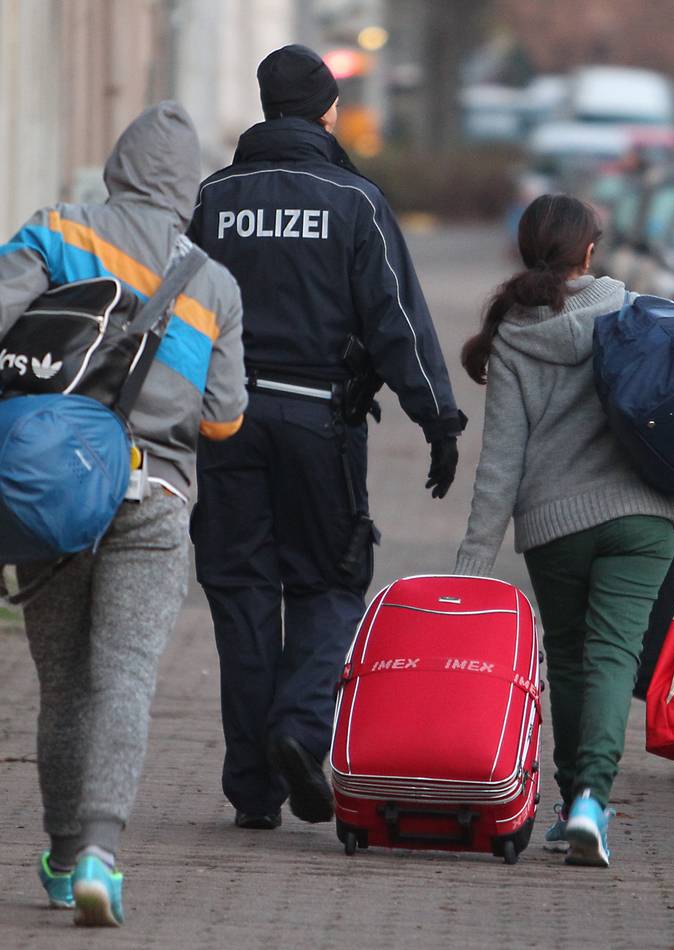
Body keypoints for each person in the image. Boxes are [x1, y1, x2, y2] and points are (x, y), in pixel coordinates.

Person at [187, 44, 466, 832]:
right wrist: (437, 419)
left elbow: (180, 311)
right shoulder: (354, 200)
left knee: (241, 594)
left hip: (226, 422)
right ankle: (300, 730)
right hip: (320, 423)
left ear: (266, 106)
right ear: (327, 110)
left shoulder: (214, 198)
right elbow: (396, 321)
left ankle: (252, 788)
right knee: (330, 585)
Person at [0, 102, 247, 926]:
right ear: (188, 187)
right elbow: (223, 418)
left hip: (55, 488)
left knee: (63, 682)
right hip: (154, 494)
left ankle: (64, 859)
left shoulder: (55, 229)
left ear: (117, 165)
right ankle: (105, 852)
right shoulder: (212, 282)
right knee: (126, 677)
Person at [454, 194, 674, 867]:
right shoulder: (630, 312)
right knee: (611, 658)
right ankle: (589, 805)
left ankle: (572, 797)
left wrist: (471, 567)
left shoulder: (514, 332)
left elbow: (502, 462)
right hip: (639, 520)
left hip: (554, 526)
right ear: (588, 251)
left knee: (570, 660)